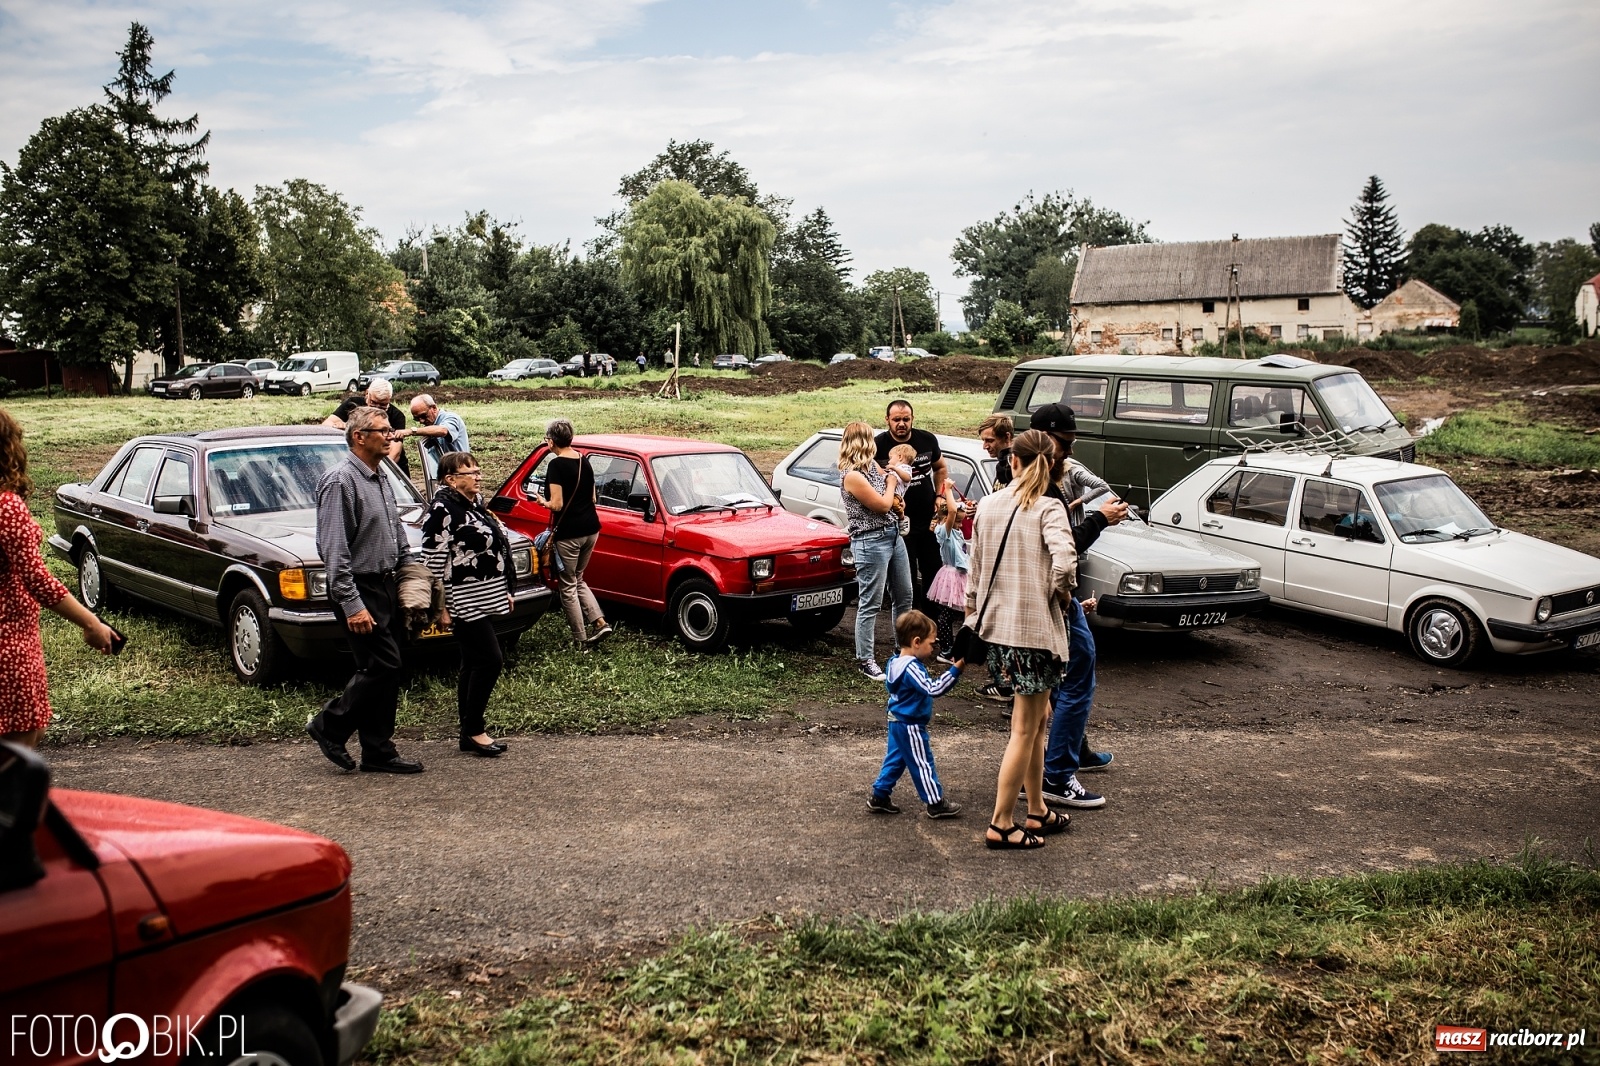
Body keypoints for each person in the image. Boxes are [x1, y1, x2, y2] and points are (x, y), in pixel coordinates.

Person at [965, 430, 1077, 849]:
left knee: (1035, 722)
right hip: (1034, 633)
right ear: (1053, 466)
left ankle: (1036, 812)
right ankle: (1000, 823)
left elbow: (974, 573)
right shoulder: (1049, 508)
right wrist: (1061, 593)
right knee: (1025, 729)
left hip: (997, 631)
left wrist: (972, 612)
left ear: (1014, 461)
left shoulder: (989, 505)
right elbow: (1065, 565)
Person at [306, 406, 424, 774]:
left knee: (385, 670)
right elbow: (334, 550)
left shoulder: (381, 475)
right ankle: (329, 725)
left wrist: (409, 577)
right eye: (384, 430)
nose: (391, 435)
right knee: (383, 665)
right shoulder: (340, 481)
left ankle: (378, 751)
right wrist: (353, 604)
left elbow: (395, 533)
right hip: (359, 589)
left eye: (391, 430)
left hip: (386, 585)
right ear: (359, 436)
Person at [0, 408, 116, 748]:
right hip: (9, 645)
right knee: (20, 748)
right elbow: (37, 579)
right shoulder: (7, 508)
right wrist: (90, 622)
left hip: (15, 638)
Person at [1030, 403, 1130, 792]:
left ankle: (1069, 755)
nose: (1070, 452)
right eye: (1064, 443)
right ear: (1042, 440)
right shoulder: (1041, 490)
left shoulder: (1026, 483)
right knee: (1076, 675)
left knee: (1054, 682)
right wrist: (1100, 519)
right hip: (1055, 596)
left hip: (1045, 597)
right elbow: (1062, 550)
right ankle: (1056, 773)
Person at [422, 451, 515, 758]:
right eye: (470, 472)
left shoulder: (472, 503)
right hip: (462, 601)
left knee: (472, 663)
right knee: (490, 660)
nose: (478, 476)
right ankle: (475, 730)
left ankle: (467, 732)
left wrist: (506, 589)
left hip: (483, 597)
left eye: (478, 470)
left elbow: (497, 546)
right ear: (451, 479)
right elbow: (433, 563)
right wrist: (441, 608)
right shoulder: (442, 509)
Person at [867, 610, 963, 819]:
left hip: (896, 720)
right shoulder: (912, 668)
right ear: (916, 642)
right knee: (922, 761)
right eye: (931, 643)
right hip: (910, 724)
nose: (933, 648)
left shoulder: (894, 662)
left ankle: (879, 796)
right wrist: (956, 669)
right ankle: (935, 802)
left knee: (895, 759)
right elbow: (933, 688)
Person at [838, 420, 911, 681]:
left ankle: (902, 651)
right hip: (870, 541)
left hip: (892, 535)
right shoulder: (852, 475)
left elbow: (891, 499)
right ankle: (865, 659)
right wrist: (892, 480)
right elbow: (881, 505)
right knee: (871, 602)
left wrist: (891, 484)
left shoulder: (872, 466)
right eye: (871, 438)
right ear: (863, 441)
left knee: (904, 595)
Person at [541, 418, 612, 650]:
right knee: (578, 579)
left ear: (551, 441)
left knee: (567, 585)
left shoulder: (556, 466)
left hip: (569, 534)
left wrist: (543, 501)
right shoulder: (584, 461)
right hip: (592, 530)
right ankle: (599, 621)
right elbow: (592, 498)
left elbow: (558, 504)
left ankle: (580, 638)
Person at [876, 400, 947, 614]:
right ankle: (910, 623)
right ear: (887, 419)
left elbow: (941, 468)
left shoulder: (927, 440)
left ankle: (931, 624)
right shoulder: (877, 445)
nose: (901, 424)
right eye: (896, 419)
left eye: (906, 419)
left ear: (912, 419)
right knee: (905, 576)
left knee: (933, 571)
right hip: (898, 523)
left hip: (929, 520)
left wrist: (940, 495)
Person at [324, 378, 409, 477]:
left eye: (382, 405)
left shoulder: (397, 416)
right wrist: (342, 426)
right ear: (367, 393)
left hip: (389, 470)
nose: (376, 408)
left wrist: (372, 472)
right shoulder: (352, 404)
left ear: (389, 399)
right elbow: (326, 424)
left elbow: (395, 453)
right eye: (373, 402)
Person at [926, 479, 969, 655]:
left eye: (960, 522)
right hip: (950, 577)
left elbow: (956, 510)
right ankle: (945, 649)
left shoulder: (956, 532)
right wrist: (949, 490)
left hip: (961, 575)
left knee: (959, 615)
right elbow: (952, 510)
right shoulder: (945, 532)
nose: (959, 526)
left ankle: (958, 646)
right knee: (946, 616)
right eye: (957, 522)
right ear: (945, 519)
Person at [406, 394, 470, 477]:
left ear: (434, 408)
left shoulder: (451, 418)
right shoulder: (430, 428)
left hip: (461, 473)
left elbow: (443, 431)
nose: (421, 421)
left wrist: (412, 431)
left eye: (423, 416)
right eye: (417, 419)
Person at [978, 414, 1015, 489]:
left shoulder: (1016, 467)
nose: (985, 447)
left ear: (1007, 437)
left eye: (990, 441)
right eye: (984, 441)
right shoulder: (1002, 465)